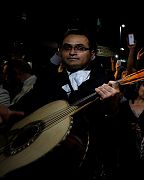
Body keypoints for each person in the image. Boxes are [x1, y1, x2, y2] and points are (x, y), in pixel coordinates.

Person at [1, 28, 121, 180]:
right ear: (60, 52)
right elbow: (27, 105)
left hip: (87, 160)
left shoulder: (106, 81)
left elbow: (113, 129)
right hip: (43, 160)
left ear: (92, 54)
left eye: (80, 48)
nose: (72, 52)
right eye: (67, 47)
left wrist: (112, 108)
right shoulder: (48, 80)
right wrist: (7, 112)